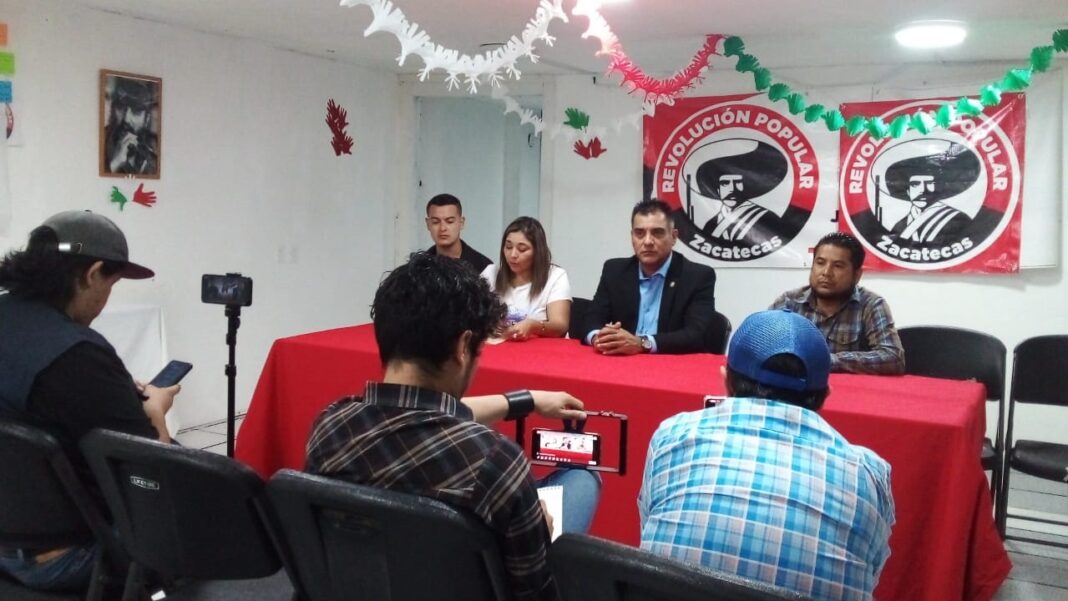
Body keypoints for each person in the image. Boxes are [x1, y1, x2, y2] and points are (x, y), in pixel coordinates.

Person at [305, 253, 600, 601]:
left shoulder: (330, 426)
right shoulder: (495, 462)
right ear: (463, 346)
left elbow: (420, 412)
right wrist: (541, 536)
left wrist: (526, 400)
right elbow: (538, 594)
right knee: (582, 479)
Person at [639, 310, 895, 601]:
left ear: (726, 381)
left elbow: (650, 534)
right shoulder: (868, 473)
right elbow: (869, 573)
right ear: (825, 395)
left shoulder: (673, 436)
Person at [0, 210, 179, 592]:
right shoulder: (77, 355)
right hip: (64, 557)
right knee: (202, 499)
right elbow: (148, 469)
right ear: (92, 273)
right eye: (111, 286)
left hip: (9, 532)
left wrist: (112, 391)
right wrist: (156, 409)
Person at [583, 199, 717, 355]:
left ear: (674, 237)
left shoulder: (697, 276)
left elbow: (696, 335)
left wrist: (642, 343)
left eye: (657, 233)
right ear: (632, 236)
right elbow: (590, 320)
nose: (647, 241)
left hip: (668, 363)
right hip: (621, 360)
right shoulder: (615, 270)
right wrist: (600, 339)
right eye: (639, 233)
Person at [770, 232, 905, 375]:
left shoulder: (871, 305)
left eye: (838, 266)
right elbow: (760, 345)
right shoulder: (789, 302)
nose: (826, 272)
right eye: (820, 263)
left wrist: (829, 361)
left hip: (849, 387)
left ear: (857, 275)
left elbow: (893, 358)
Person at [481, 216, 571, 341]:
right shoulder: (491, 272)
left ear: (537, 251)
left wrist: (534, 326)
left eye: (522, 249)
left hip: (542, 347)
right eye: (508, 247)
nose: (513, 255)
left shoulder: (556, 276)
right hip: (500, 344)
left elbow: (560, 325)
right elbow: (470, 313)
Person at [685, 140, 789, 243]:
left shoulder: (768, 219)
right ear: (717, 189)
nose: (731, 189)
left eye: (737, 182)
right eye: (725, 183)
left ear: (746, 186)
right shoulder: (710, 226)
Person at [103, 76, 159, 175]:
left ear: (146, 119)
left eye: (136, 112)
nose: (126, 119)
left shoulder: (152, 157)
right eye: (121, 108)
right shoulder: (99, 140)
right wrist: (115, 164)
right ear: (113, 109)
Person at [424, 193, 493, 273]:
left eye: (450, 221)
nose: (442, 228)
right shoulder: (418, 267)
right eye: (435, 222)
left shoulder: (484, 268)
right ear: (428, 224)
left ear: (461, 223)